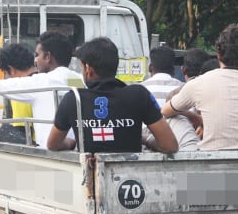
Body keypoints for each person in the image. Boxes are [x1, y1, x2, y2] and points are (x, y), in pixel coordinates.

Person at [48, 37, 178, 153]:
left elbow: (53, 144)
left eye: (82, 68)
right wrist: (146, 140)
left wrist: (72, 143)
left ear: (89, 69)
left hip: (88, 175)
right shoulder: (139, 95)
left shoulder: (73, 99)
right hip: (131, 178)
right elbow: (170, 146)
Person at [162, 24, 238, 150]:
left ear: (218, 53)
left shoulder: (201, 82)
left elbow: (165, 112)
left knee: (174, 118)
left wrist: (195, 118)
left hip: (208, 158)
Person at [0, 31, 83, 147]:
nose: (35, 60)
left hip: (48, 151)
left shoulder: (41, 82)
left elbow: (1, 86)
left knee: (3, 131)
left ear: (47, 57)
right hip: (77, 148)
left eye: (37, 55)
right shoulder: (77, 80)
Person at [141, 45, 198, 150]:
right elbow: (192, 121)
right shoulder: (184, 88)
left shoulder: (140, 89)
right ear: (173, 69)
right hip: (181, 143)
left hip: (147, 144)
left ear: (150, 68)